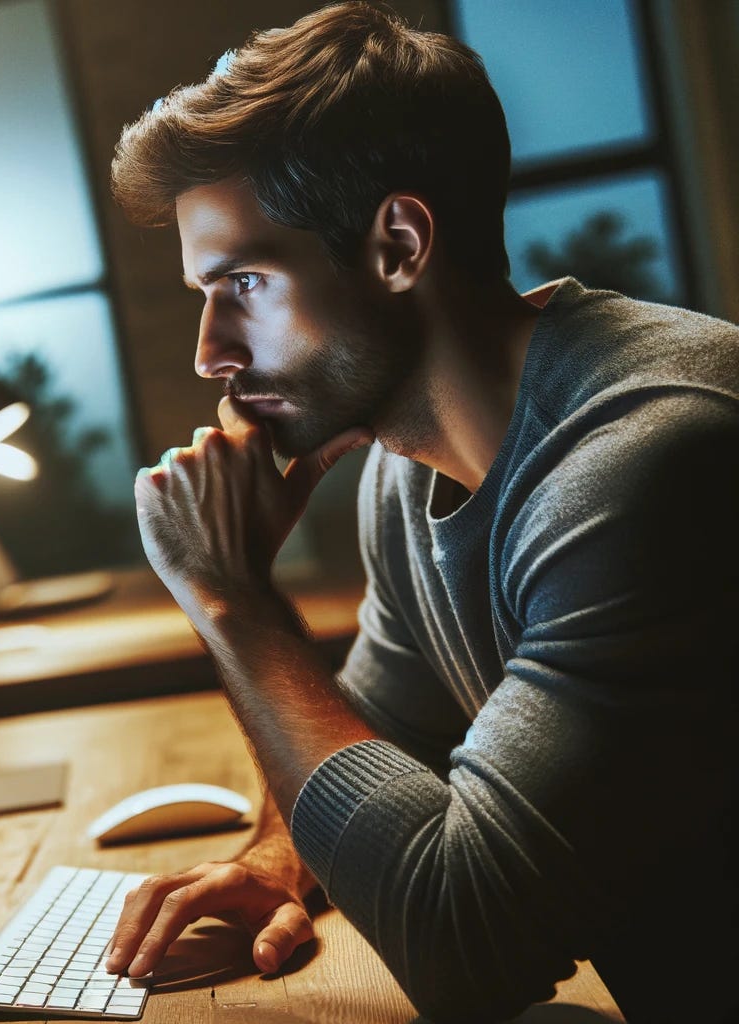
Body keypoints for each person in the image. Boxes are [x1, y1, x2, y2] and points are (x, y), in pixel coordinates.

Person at [103, 4, 739, 1022]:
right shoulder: (407, 469)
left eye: (246, 282)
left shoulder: (649, 461)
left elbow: (468, 945)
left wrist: (231, 599)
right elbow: (377, 738)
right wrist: (280, 857)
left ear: (397, 244)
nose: (209, 352)